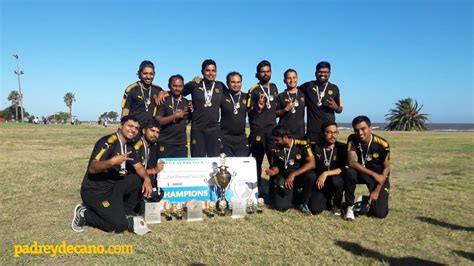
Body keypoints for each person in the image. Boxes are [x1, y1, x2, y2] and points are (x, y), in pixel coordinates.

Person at [71, 115, 153, 234]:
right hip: (95, 192)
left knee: (137, 179)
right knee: (117, 226)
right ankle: (84, 213)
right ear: (120, 126)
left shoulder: (129, 145)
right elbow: (92, 168)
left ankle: (124, 212)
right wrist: (112, 162)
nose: (133, 130)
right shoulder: (107, 142)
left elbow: (139, 166)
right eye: (130, 126)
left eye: (136, 128)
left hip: (113, 187)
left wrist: (147, 179)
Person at [344, 115, 390, 220]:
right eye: (356, 130)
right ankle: (349, 206)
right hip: (364, 173)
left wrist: (377, 191)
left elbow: (386, 168)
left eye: (363, 129)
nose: (360, 133)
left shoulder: (383, 144)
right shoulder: (352, 139)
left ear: (370, 127)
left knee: (380, 214)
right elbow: (351, 162)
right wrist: (373, 174)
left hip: (379, 177)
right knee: (349, 172)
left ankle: (365, 200)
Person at [265, 125, 315, 215]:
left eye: (277, 140)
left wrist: (293, 174)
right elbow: (276, 167)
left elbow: (312, 163)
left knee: (311, 176)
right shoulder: (276, 148)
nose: (275, 142)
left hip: (299, 176)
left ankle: (303, 203)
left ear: (285, 138)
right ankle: (293, 196)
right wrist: (273, 171)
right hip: (285, 178)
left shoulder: (303, 144)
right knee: (281, 207)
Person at [183, 59, 226, 157]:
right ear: (202, 71)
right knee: (198, 161)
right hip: (198, 129)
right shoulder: (194, 84)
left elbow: (231, 99)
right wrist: (187, 103)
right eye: (208, 70)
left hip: (214, 130)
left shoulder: (221, 86)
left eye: (213, 70)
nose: (211, 73)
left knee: (214, 162)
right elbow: (177, 93)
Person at [247, 60, 279, 190]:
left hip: (272, 131)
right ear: (258, 73)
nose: (265, 74)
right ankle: (256, 190)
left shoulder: (274, 87)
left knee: (274, 161)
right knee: (257, 162)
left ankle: (273, 190)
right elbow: (249, 111)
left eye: (268, 71)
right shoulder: (253, 90)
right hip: (258, 130)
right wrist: (258, 108)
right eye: (262, 72)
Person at [299, 61, 343, 144]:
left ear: (330, 73)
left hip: (329, 131)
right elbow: (294, 91)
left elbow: (340, 109)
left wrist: (336, 107)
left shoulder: (334, 88)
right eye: (320, 72)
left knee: (327, 155)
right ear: (315, 73)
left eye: (326, 72)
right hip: (313, 131)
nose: (322, 74)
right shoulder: (308, 86)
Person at [310, 122, 347, 215]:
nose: (333, 135)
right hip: (320, 184)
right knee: (315, 209)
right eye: (329, 132)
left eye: (335, 132)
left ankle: (337, 203)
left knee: (336, 180)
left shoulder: (342, 148)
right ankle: (327, 199)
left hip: (335, 181)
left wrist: (326, 173)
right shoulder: (315, 147)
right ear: (323, 134)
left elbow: (345, 167)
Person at [131, 119, 165, 214]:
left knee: (158, 192)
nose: (155, 134)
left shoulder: (151, 145)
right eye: (152, 131)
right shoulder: (137, 146)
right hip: (131, 181)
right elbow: (134, 171)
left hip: (140, 180)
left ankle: (142, 202)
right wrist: (154, 170)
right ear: (144, 131)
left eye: (157, 132)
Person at [155, 74, 190, 158]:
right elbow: (158, 120)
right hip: (165, 142)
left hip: (181, 144)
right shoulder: (163, 100)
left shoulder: (187, 102)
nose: (177, 88)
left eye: (180, 86)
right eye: (174, 86)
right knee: (163, 170)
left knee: (180, 170)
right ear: (169, 86)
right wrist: (175, 116)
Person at [121, 60, 164, 127]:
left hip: (149, 130)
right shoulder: (132, 89)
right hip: (134, 128)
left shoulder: (158, 89)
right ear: (140, 73)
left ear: (154, 74)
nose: (148, 77)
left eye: (151, 73)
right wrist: (122, 125)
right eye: (145, 73)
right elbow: (125, 110)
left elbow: (170, 94)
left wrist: (162, 92)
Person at [220, 71, 249, 157]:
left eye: (238, 82)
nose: (236, 85)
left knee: (241, 166)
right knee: (227, 167)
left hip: (241, 138)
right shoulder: (222, 96)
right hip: (225, 138)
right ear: (227, 83)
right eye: (233, 82)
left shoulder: (247, 97)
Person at [276, 69, 305, 139]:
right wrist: (285, 109)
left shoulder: (303, 94)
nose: (292, 80)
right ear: (284, 80)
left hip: (300, 133)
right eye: (289, 78)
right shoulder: (280, 96)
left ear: (297, 79)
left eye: (294, 77)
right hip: (284, 134)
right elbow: (275, 114)